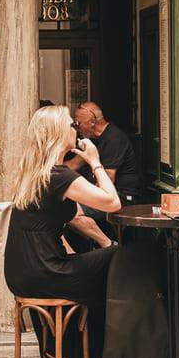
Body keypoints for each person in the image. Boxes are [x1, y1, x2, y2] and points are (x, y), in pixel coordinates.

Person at [5, 105, 121, 358]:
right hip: (46, 271)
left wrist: (104, 242)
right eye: (71, 124)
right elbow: (113, 203)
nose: (76, 128)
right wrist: (94, 161)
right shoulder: (60, 176)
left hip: (24, 272)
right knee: (124, 259)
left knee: (108, 263)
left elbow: (75, 218)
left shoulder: (36, 172)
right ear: (60, 133)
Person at [65, 102, 141, 248]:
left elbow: (106, 183)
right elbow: (74, 165)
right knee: (61, 207)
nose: (77, 128)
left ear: (92, 122)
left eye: (78, 123)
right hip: (103, 194)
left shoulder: (114, 139)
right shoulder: (93, 140)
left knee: (70, 212)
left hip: (121, 197)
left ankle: (108, 245)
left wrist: (79, 194)